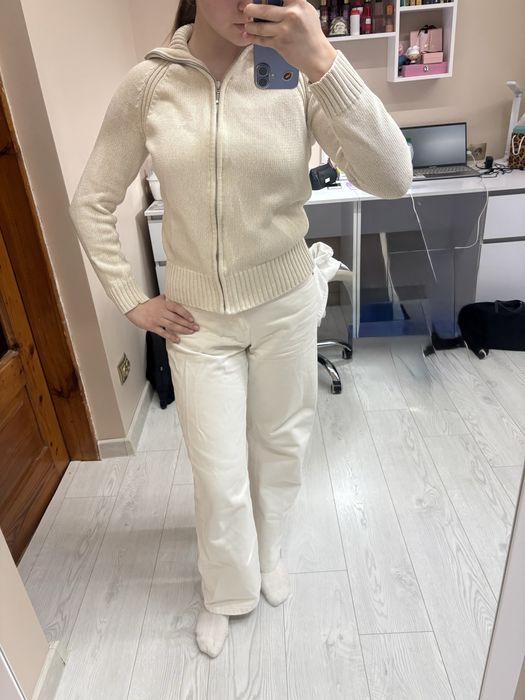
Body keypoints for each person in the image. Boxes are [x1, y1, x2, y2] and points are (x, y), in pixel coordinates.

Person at [69, 0, 412, 659]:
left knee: (280, 447)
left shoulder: (296, 73)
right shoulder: (151, 83)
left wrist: (322, 61)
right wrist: (131, 300)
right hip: (198, 321)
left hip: (285, 305)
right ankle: (225, 591)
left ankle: (269, 551)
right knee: (217, 468)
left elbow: (394, 178)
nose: (246, 3)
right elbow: (92, 201)